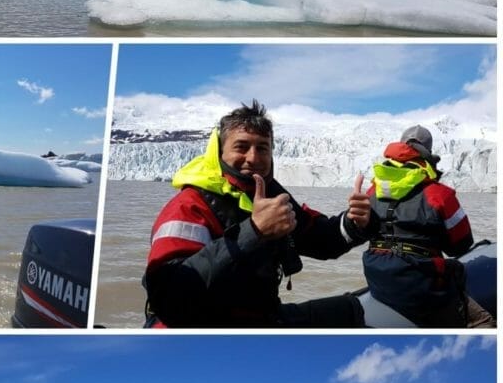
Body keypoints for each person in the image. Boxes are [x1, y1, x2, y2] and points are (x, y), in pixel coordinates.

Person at [143, 100, 371, 327]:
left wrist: (355, 221)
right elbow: (168, 298)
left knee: (351, 311)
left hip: (258, 318)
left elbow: (322, 240)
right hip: (203, 329)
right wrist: (253, 232)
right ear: (219, 152)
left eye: (262, 148)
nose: (253, 158)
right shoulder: (189, 207)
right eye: (241, 147)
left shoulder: (270, 196)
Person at [362, 125, 494, 327]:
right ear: (428, 154)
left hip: (376, 276)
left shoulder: (372, 191)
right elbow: (461, 246)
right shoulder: (440, 194)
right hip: (419, 282)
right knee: (483, 321)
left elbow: (362, 231)